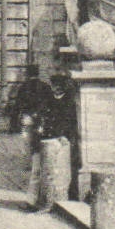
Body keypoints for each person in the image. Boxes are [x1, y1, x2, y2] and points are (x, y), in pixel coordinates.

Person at [35, 71, 77, 212]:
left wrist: (66, 135)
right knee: (45, 172)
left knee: (60, 173)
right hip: (47, 137)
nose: (56, 88)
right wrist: (40, 125)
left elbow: (71, 121)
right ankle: (44, 201)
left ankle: (58, 201)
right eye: (54, 85)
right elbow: (41, 114)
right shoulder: (47, 98)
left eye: (58, 85)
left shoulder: (69, 101)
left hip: (61, 138)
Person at [12, 64, 53, 207]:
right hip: (42, 121)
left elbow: (17, 105)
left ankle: (28, 160)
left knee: (28, 143)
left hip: (28, 118)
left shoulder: (24, 87)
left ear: (28, 74)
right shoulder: (46, 87)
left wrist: (15, 121)